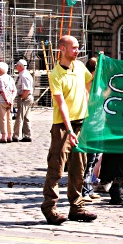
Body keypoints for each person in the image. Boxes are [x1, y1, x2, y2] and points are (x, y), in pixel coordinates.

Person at [40, 35, 97, 225]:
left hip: (81, 124)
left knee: (78, 168)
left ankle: (77, 206)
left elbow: (91, 84)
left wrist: (103, 66)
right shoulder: (55, 74)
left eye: (78, 47)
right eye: (74, 47)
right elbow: (61, 104)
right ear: (62, 49)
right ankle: (49, 207)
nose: (77, 50)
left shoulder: (80, 67)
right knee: (56, 168)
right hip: (63, 127)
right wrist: (69, 130)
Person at [81, 57, 101, 202]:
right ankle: (84, 190)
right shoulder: (88, 83)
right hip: (90, 124)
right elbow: (90, 102)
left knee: (95, 159)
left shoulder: (100, 82)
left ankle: (90, 187)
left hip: (100, 123)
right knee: (89, 160)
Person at [12, 59, 34, 142]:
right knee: (26, 117)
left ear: (20, 66)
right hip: (26, 97)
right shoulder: (24, 74)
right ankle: (27, 135)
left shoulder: (24, 75)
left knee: (19, 117)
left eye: (17, 66)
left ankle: (16, 136)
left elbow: (27, 89)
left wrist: (22, 97)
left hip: (25, 97)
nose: (16, 67)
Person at [0, 62, 17, 143]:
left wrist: (6, 99)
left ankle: (4, 136)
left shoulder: (1, 78)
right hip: (10, 101)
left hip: (2, 101)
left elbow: (2, 90)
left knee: (2, 119)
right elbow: (14, 90)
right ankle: (10, 136)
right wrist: (11, 99)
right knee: (9, 119)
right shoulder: (10, 78)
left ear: (0, 70)